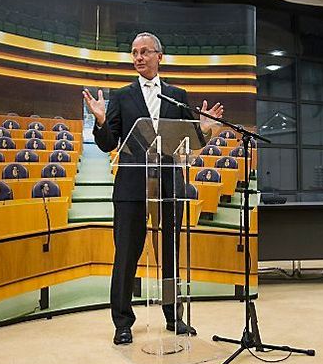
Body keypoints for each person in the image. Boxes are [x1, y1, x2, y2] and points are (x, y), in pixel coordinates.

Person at [84, 32, 223, 345]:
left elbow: (190, 141)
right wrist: (102, 120)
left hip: (169, 185)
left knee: (170, 254)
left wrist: (205, 128)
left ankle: (174, 316)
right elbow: (108, 144)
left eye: (144, 51)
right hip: (132, 187)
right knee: (127, 256)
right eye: (134, 52)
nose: (138, 57)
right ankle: (123, 323)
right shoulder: (121, 96)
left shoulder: (177, 95)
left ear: (160, 56)